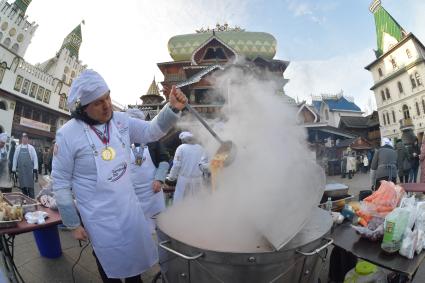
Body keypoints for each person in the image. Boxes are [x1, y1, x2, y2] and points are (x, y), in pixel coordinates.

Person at [52, 70, 187, 282]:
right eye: (98, 102)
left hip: (128, 210)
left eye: (107, 97)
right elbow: (60, 182)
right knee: (109, 267)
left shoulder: (121, 121)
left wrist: (171, 109)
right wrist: (73, 223)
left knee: (134, 265)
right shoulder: (68, 134)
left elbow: (151, 132)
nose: (107, 106)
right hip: (98, 217)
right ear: (83, 107)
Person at [126, 108, 169, 233]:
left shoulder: (153, 139)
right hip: (131, 194)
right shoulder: (121, 141)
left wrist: (159, 179)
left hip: (152, 192)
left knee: (157, 227)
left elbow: (164, 160)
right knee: (134, 229)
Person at [167, 131, 208, 203]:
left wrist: (171, 178)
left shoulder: (181, 148)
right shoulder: (201, 148)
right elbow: (205, 165)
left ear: (183, 140)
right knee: (197, 203)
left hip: (184, 181)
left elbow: (176, 165)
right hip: (198, 180)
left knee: (181, 203)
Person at [12, 133, 38, 198]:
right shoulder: (18, 148)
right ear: (22, 139)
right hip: (21, 171)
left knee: (30, 187)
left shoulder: (31, 148)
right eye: (23, 138)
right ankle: (25, 199)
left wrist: (35, 168)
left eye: (26, 138)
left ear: (27, 139)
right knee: (23, 187)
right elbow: (15, 158)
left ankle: (32, 201)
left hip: (29, 171)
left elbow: (35, 158)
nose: (24, 139)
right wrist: (14, 168)